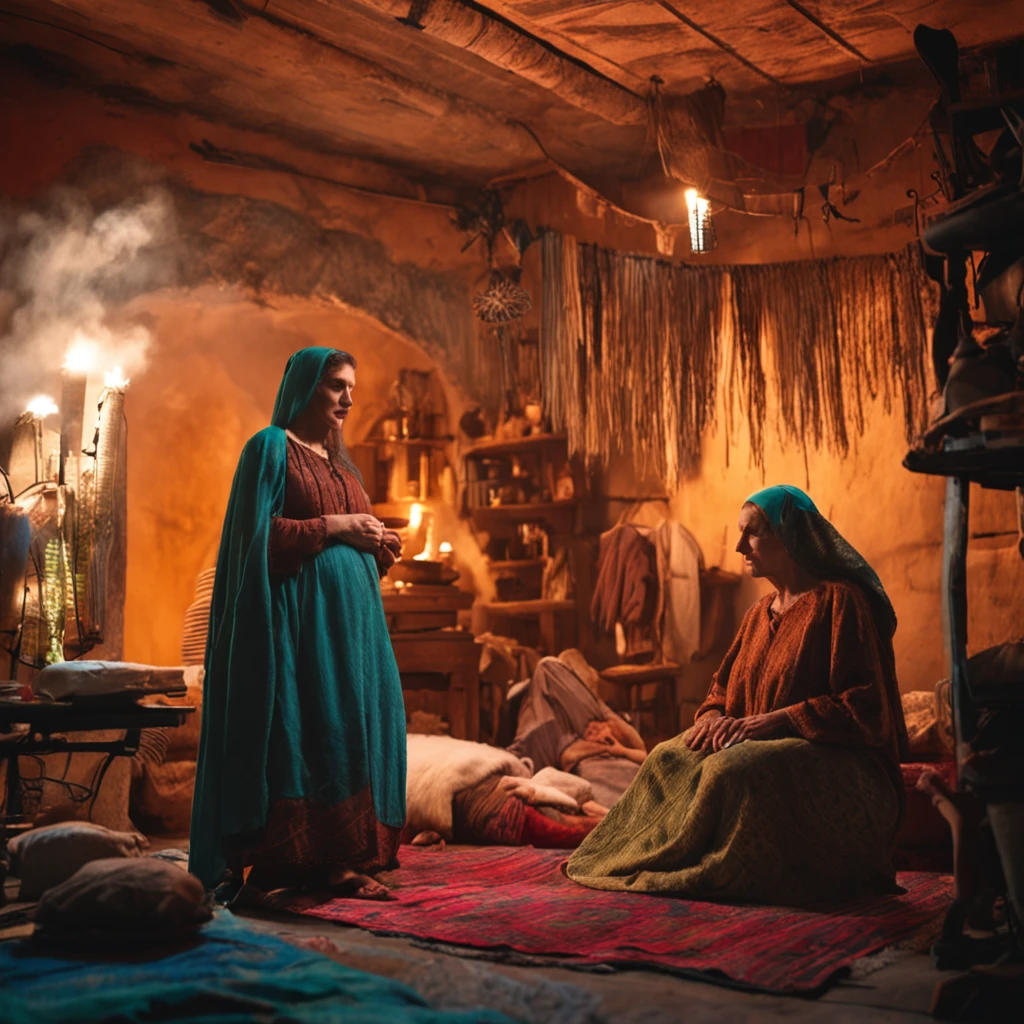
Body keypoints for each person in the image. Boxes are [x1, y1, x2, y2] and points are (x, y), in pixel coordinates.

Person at [567, 485, 910, 906]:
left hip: (836, 758)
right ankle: (625, 859)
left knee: (732, 769)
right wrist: (712, 718)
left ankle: (725, 869)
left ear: (789, 536)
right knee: (666, 756)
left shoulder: (839, 602)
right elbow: (721, 689)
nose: (738, 546)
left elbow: (865, 707)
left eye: (752, 534)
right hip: (756, 741)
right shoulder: (757, 613)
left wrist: (777, 720)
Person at [190, 347, 406, 900]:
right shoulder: (269, 448)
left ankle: (346, 856)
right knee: (317, 734)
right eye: (336, 385)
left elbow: (348, 544)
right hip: (300, 632)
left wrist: (378, 547)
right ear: (305, 386)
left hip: (354, 636)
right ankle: (307, 864)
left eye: (351, 387)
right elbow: (254, 541)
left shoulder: (342, 465)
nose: (348, 398)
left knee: (353, 732)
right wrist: (335, 526)